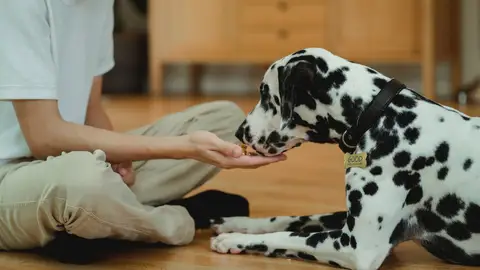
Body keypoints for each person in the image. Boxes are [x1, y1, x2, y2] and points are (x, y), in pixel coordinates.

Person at [0, 0, 286, 254]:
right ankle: (180, 220)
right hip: (11, 178)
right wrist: (183, 148)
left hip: (66, 160)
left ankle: (103, 222)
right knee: (84, 183)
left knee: (225, 120)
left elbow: (92, 109)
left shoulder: (99, 4)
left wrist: (117, 159)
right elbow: (44, 136)